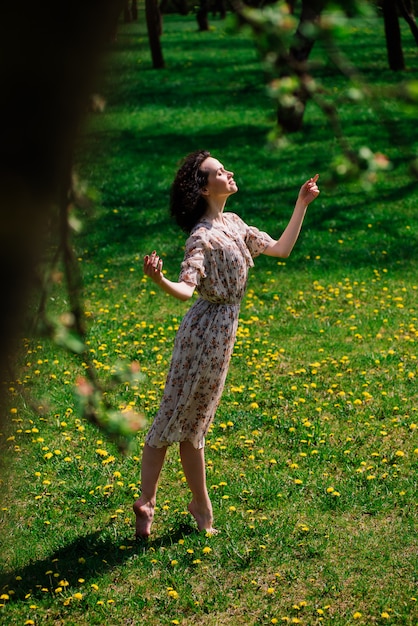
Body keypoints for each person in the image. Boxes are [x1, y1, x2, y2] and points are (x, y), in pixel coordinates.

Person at [133, 150, 320, 538]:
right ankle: (174, 504)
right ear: (204, 188)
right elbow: (186, 289)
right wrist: (159, 281)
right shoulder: (201, 236)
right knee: (183, 419)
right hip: (204, 335)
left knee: (187, 419)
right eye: (220, 171)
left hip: (220, 333)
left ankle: (176, 503)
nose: (229, 172)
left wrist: (301, 204)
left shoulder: (234, 224)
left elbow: (281, 249)